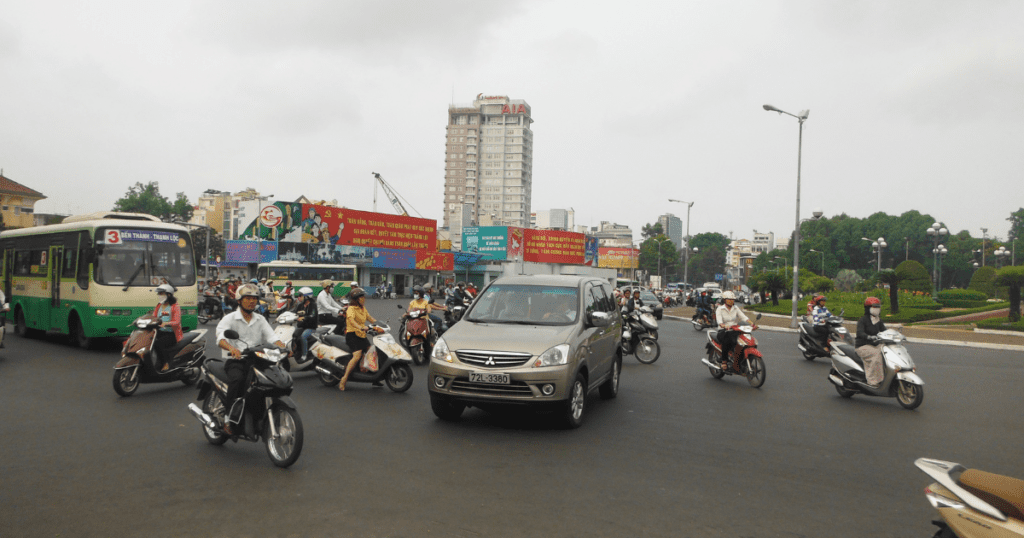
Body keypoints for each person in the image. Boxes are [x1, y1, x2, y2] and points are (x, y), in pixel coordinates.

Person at [216, 284, 286, 435]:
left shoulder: (260, 319)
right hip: (237, 360)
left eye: (254, 299)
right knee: (238, 380)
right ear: (239, 301)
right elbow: (221, 337)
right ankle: (228, 419)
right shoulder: (230, 318)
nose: (252, 302)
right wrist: (231, 348)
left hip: (257, 360)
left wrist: (283, 346)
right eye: (247, 298)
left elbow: (272, 337)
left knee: (269, 382)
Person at [338, 288, 383, 391]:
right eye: (361, 297)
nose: (364, 299)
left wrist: (379, 325)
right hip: (352, 335)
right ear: (356, 299)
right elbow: (351, 320)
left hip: (361, 335)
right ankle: (344, 379)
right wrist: (361, 327)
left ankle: (374, 378)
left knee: (372, 353)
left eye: (363, 297)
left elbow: (370, 318)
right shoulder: (351, 309)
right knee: (357, 355)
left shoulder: (362, 308)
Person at [715, 291, 753, 371]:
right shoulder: (720, 309)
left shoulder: (735, 308)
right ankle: (724, 361)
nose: (732, 301)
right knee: (727, 341)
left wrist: (751, 323)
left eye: (733, 299)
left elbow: (743, 317)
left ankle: (740, 359)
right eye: (729, 299)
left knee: (743, 340)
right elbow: (719, 321)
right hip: (723, 331)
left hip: (734, 329)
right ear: (725, 300)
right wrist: (723, 325)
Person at [855, 297, 886, 387]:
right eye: (874, 307)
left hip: (875, 344)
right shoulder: (862, 320)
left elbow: (885, 331)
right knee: (876, 355)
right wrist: (868, 337)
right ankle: (872, 381)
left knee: (887, 352)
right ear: (868, 308)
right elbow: (860, 333)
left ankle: (884, 377)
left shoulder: (878, 320)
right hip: (863, 345)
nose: (877, 309)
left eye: (878, 307)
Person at [151, 284, 182, 371]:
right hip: (159, 331)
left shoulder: (175, 306)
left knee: (158, 344)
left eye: (161, 293)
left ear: (168, 294)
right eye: (159, 293)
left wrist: (166, 323)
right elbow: (154, 316)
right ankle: (157, 361)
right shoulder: (159, 305)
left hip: (171, 334)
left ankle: (166, 363)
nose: (159, 295)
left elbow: (177, 322)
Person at [293, 287, 317, 362]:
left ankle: (304, 355)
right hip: (301, 326)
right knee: (293, 335)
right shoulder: (301, 305)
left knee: (303, 337)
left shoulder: (313, 305)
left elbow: (312, 315)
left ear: (307, 296)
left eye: (300, 295)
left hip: (311, 327)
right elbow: (294, 312)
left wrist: (304, 318)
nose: (299, 297)